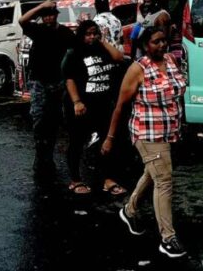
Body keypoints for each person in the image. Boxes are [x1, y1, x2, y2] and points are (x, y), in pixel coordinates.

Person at [103, 25, 188, 259]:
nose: (161, 45)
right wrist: (110, 138)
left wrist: (182, 123)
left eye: (163, 41)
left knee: (152, 174)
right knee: (164, 180)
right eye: (155, 42)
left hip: (169, 130)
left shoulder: (171, 60)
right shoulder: (137, 69)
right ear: (144, 45)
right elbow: (120, 106)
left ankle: (129, 211)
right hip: (147, 133)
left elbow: (176, 94)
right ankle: (167, 238)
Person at [62, 19, 127, 196]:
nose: (91, 37)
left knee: (107, 140)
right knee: (77, 141)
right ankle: (76, 180)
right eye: (88, 34)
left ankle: (107, 178)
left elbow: (119, 58)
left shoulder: (103, 49)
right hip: (81, 105)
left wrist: (103, 40)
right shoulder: (75, 53)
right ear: (81, 36)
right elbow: (70, 79)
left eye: (94, 33)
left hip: (103, 104)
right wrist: (77, 102)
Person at [20, 0, 76, 172]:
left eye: (51, 14)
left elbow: (75, 52)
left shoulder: (65, 32)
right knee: (38, 118)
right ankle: (40, 154)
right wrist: (40, 7)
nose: (49, 18)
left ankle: (49, 155)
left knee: (54, 119)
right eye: (45, 16)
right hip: (39, 81)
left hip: (58, 82)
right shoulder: (37, 30)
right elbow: (22, 21)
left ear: (56, 16)